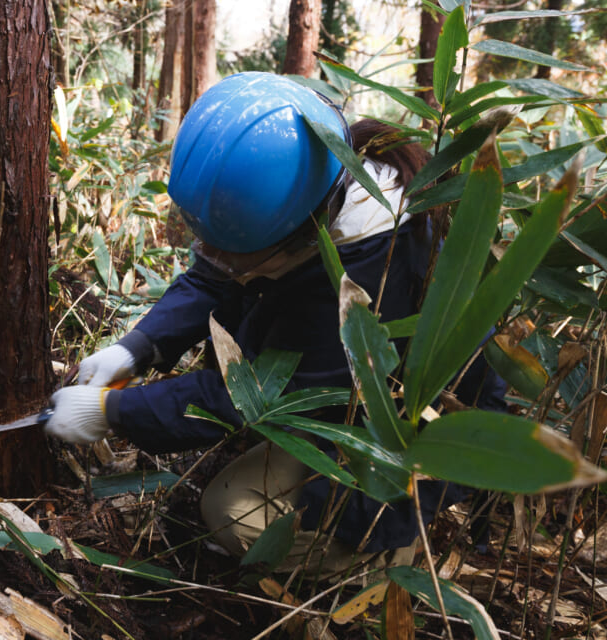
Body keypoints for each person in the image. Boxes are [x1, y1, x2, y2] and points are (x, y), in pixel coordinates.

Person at [44, 72, 507, 576]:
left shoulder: (366, 277)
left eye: (235, 247)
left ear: (302, 235)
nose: (216, 255)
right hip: (340, 392)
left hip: (410, 431)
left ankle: (381, 556)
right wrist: (136, 347)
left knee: (232, 513)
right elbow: (213, 275)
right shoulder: (313, 181)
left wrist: (116, 409)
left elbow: (254, 390)